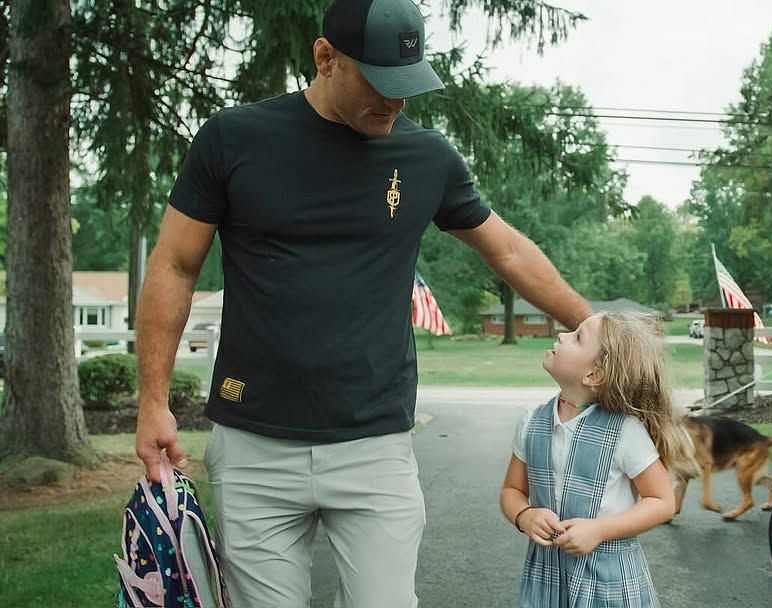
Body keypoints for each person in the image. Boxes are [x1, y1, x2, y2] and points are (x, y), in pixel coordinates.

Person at [133, 0, 592, 605]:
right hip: (254, 446)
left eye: (408, 87)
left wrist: (595, 325)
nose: (396, 103)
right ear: (326, 58)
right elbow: (174, 264)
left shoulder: (427, 158)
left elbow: (507, 251)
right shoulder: (233, 139)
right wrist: (153, 401)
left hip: (375, 447)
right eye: (380, 84)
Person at [499, 312, 696, 607]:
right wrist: (525, 516)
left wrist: (599, 530)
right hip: (546, 579)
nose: (563, 335)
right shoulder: (531, 422)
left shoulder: (625, 432)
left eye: (577, 336)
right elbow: (512, 491)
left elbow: (662, 501)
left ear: (594, 375)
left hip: (609, 582)